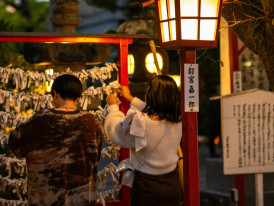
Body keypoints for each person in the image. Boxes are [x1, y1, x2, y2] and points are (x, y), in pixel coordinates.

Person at [9, 74, 102, 206]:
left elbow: (15, 144)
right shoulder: (91, 121)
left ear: (55, 94)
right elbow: (96, 154)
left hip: (46, 199)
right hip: (82, 199)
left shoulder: (41, 119)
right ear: (78, 99)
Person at [105, 75, 182, 206]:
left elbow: (116, 132)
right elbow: (155, 109)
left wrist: (112, 107)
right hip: (172, 185)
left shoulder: (141, 123)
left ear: (150, 93)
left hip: (147, 187)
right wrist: (130, 98)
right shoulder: (178, 120)